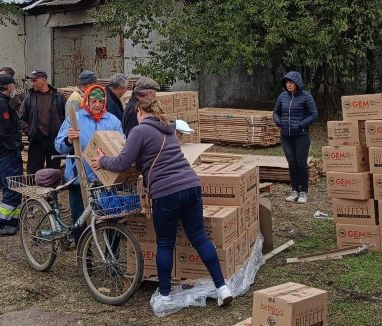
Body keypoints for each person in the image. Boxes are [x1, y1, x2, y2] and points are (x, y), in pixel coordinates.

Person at [90, 96, 233, 315]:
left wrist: (101, 161)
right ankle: (222, 287)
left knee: (165, 243)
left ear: (139, 111)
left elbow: (122, 162)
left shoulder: (139, 131)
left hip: (166, 192)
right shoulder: (168, 128)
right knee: (200, 238)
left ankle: (165, 296)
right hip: (192, 185)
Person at [54, 85, 123, 243]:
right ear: (87, 101)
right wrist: (69, 140)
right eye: (94, 101)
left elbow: (122, 143)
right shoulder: (75, 119)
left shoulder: (112, 121)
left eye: (100, 101)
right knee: (81, 225)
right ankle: (85, 263)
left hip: (104, 180)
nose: (97, 105)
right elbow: (58, 146)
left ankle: (111, 262)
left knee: (110, 221)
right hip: (80, 179)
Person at [273, 71, 318, 204]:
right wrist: (278, 121)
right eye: (287, 82)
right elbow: (276, 112)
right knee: (291, 163)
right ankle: (294, 190)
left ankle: (303, 192)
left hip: (301, 136)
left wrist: (301, 124)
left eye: (291, 82)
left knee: (301, 163)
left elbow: (314, 114)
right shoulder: (282, 96)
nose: (288, 85)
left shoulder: (306, 96)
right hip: (286, 136)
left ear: (297, 83)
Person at [0, 73, 23, 236]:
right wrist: (14, 145)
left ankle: (13, 220)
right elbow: (5, 130)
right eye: (13, 86)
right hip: (6, 153)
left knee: (16, 186)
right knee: (13, 186)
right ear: (9, 87)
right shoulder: (1, 104)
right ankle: (0, 222)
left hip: (5, 152)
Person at [19, 70, 66, 174]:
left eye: (35, 80)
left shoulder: (58, 97)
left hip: (54, 141)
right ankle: (33, 190)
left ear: (44, 80)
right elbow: (21, 118)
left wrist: (62, 134)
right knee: (33, 171)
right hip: (37, 140)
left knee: (53, 171)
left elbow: (67, 118)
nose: (32, 83)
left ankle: (52, 190)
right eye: (31, 81)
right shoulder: (29, 98)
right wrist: (30, 131)